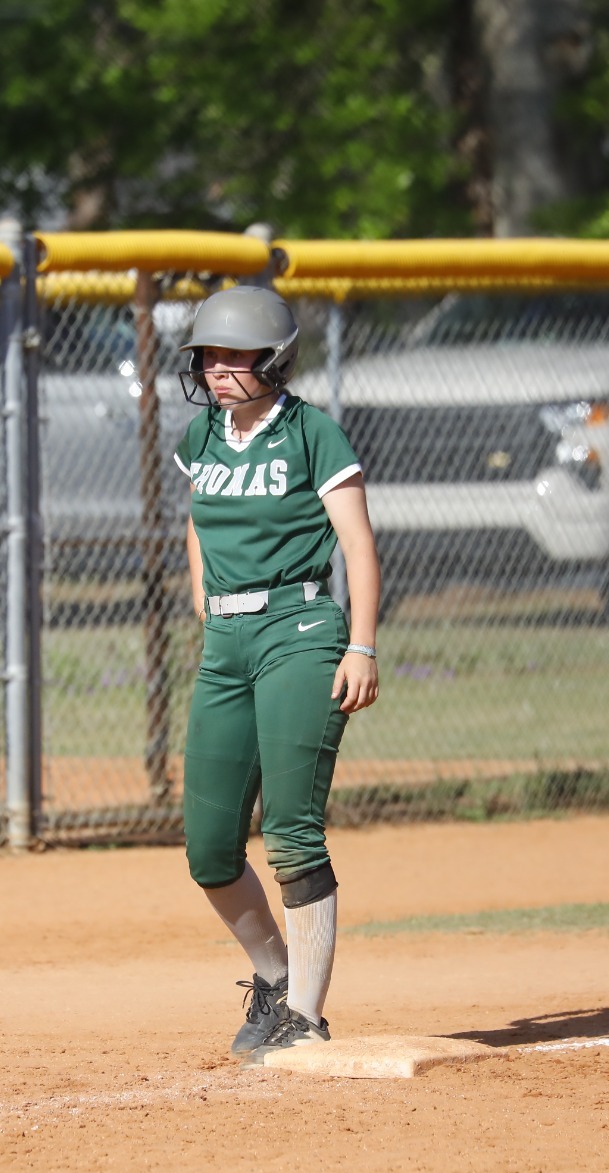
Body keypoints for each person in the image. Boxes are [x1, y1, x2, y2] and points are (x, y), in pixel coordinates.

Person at [172, 286, 381, 1064]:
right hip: (227, 640)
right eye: (209, 356)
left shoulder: (311, 432)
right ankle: (275, 975)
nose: (218, 369)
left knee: (291, 828)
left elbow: (357, 543)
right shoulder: (203, 434)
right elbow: (198, 520)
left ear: (276, 359)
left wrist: (362, 645)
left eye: (236, 356)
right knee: (209, 850)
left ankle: (307, 1017)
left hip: (299, 628)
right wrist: (203, 596)